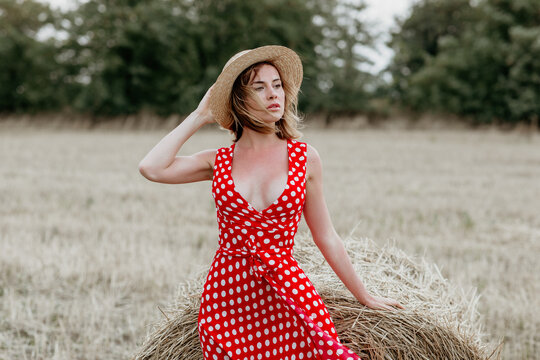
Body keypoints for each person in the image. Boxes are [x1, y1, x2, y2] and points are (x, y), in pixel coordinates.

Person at [138, 45, 403, 360]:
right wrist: (199, 116)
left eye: (277, 85)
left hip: (286, 292)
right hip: (226, 299)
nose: (273, 94)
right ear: (239, 99)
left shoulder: (305, 158)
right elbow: (151, 167)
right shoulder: (218, 160)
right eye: (259, 87)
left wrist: (364, 296)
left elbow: (326, 235)